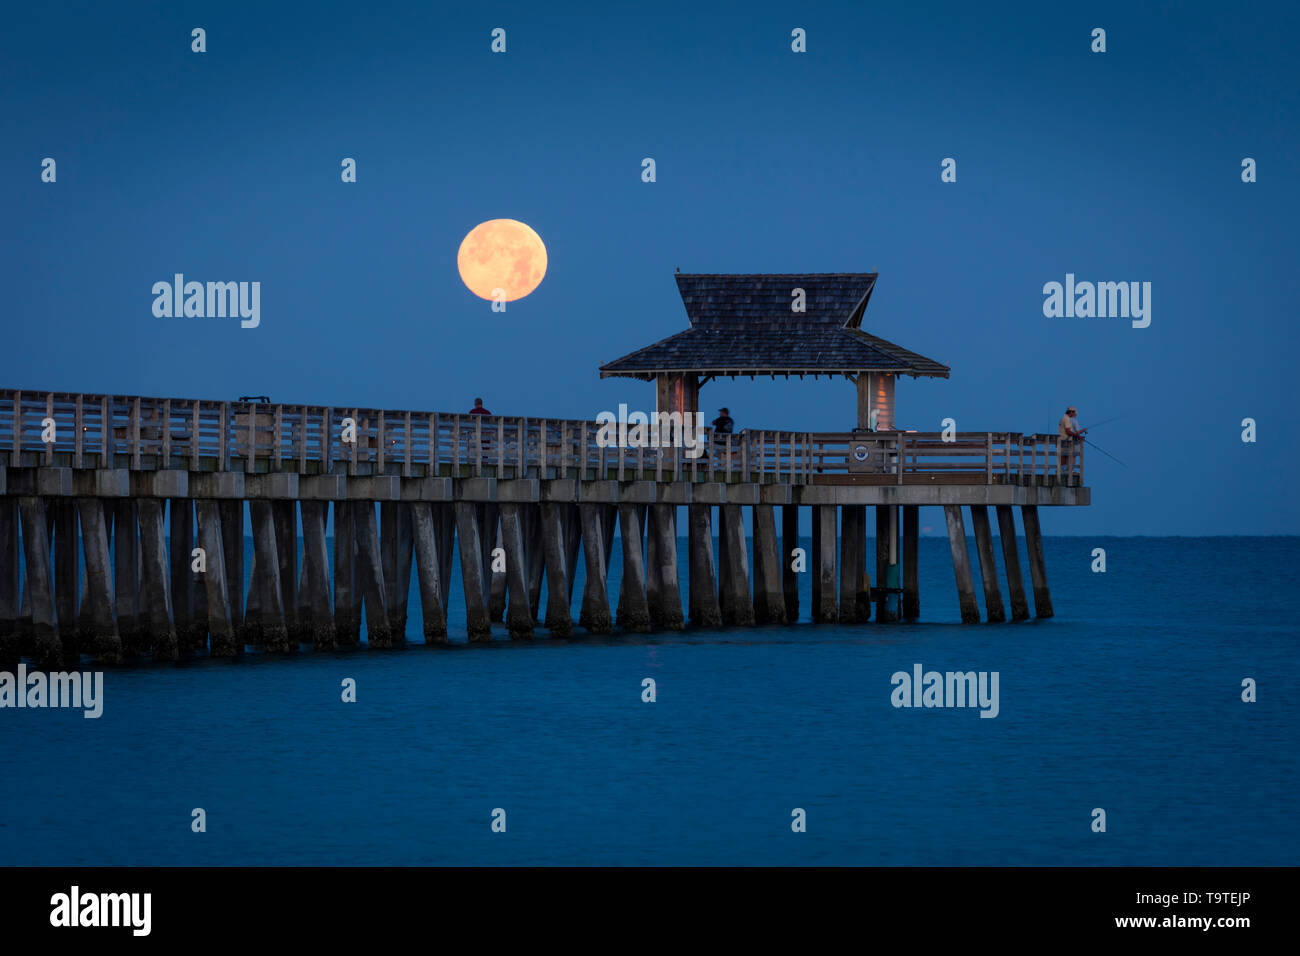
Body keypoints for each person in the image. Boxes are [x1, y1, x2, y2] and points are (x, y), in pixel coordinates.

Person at [1058, 405, 1087, 481]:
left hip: (1062, 440)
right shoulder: (1068, 419)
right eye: (1074, 413)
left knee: (1064, 455)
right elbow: (1068, 431)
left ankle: (1063, 470)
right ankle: (1070, 470)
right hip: (1068, 440)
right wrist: (1079, 435)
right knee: (1072, 455)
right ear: (1071, 412)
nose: (1075, 414)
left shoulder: (1063, 418)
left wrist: (1077, 433)